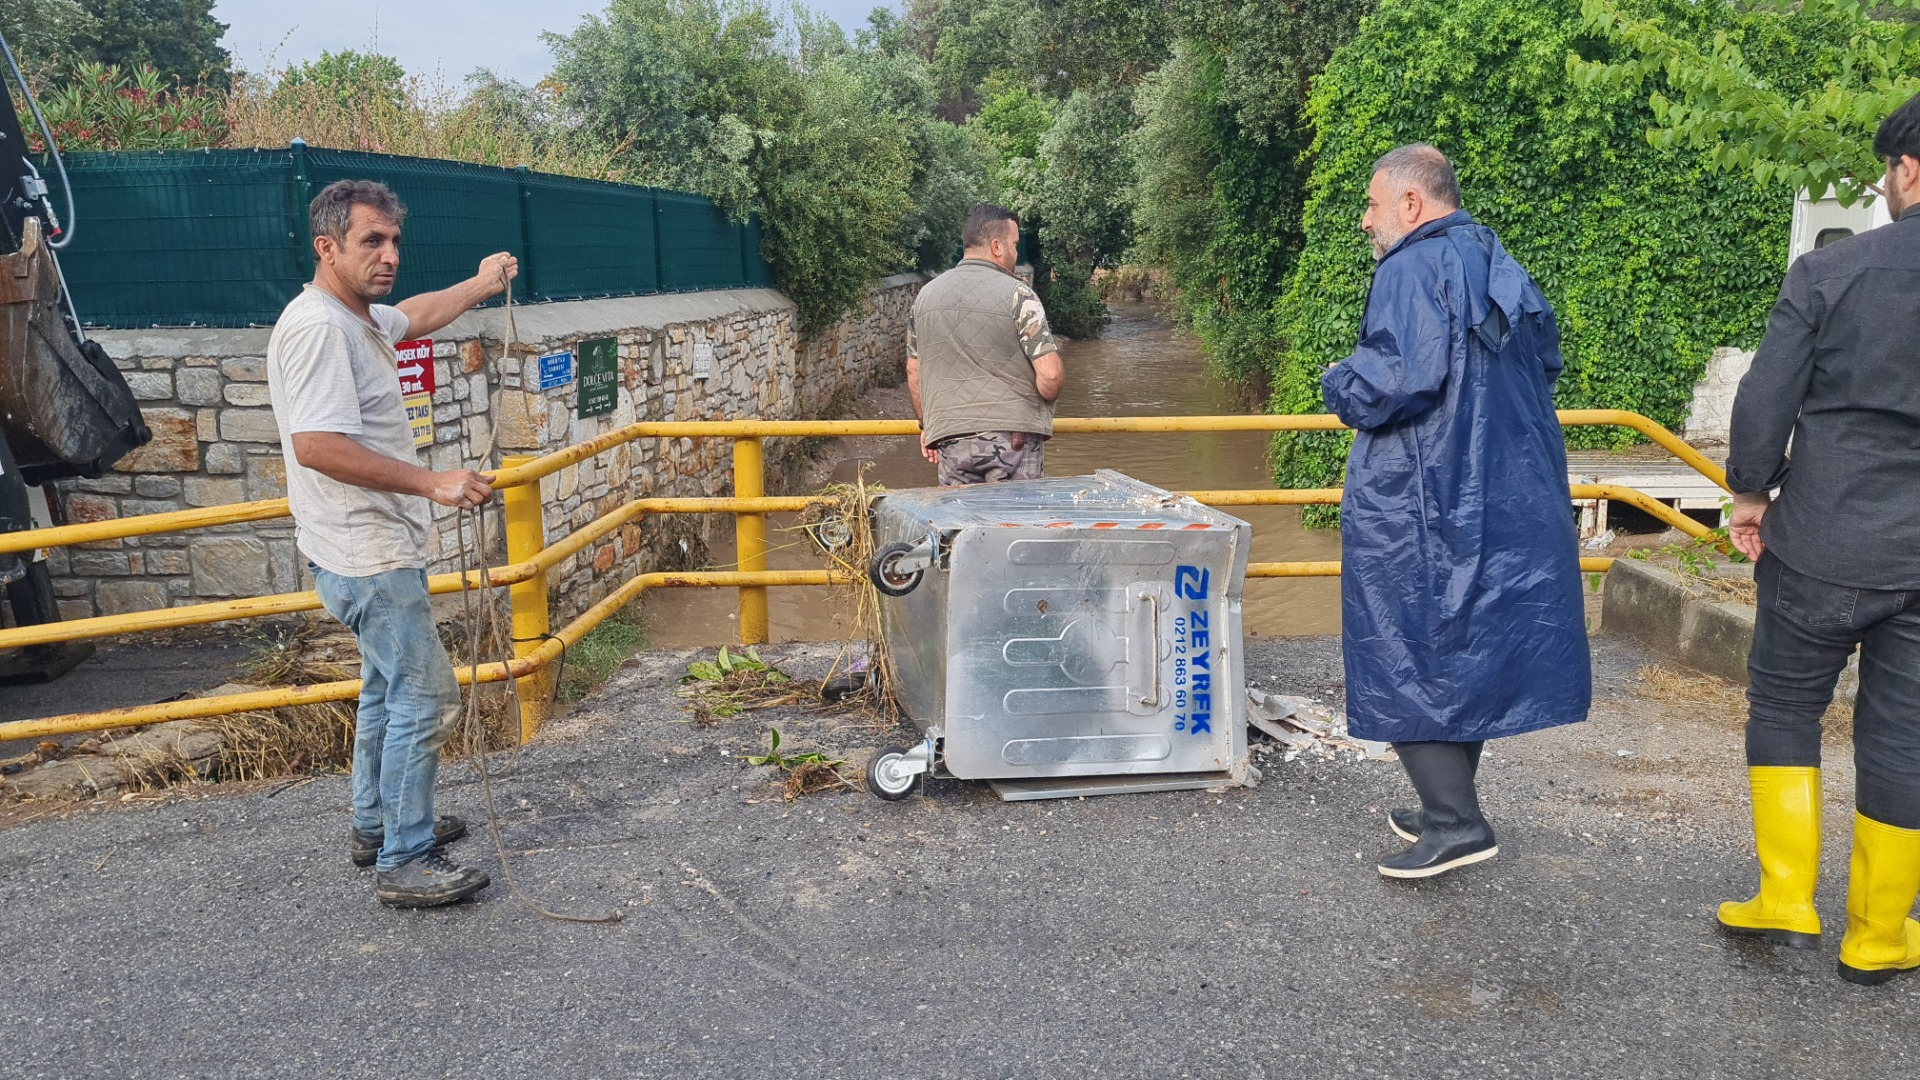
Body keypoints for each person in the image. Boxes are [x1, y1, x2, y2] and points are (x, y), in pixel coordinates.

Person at [1321, 144, 1591, 879]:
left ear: (1412, 204)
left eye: (1373, 205)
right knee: (1462, 650)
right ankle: (1446, 798)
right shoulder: (1495, 259)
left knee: (1404, 643)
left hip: (1425, 497)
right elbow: (1545, 361)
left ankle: (1455, 820)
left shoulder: (1411, 266)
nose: (1365, 221)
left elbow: (1393, 381)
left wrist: (1336, 381)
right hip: (1504, 488)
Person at [267, 179, 517, 909]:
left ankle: (375, 824)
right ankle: (405, 858)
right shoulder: (319, 329)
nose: (389, 254)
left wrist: (480, 283)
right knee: (427, 699)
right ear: (327, 247)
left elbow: (414, 315)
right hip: (366, 553)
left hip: (361, 549)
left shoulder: (359, 318)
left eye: (395, 241)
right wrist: (431, 483)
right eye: (371, 241)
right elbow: (315, 443)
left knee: (384, 691)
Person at [1718, 94, 1920, 986]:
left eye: (1886, 170)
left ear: (1907, 170)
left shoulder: (1831, 272)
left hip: (1824, 540)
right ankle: (1878, 934)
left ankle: (1786, 898)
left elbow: (1766, 401)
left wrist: (1751, 495)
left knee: (1788, 706)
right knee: (1907, 736)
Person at [906, 204, 1064, 485]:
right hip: (1012, 440)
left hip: (951, 442)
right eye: (1015, 245)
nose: (1016, 253)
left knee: (964, 527)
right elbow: (1050, 375)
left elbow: (914, 373)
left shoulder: (924, 299)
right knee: (1016, 526)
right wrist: (1043, 399)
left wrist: (927, 426)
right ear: (996, 247)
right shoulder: (1019, 294)